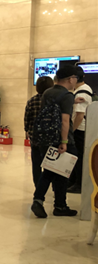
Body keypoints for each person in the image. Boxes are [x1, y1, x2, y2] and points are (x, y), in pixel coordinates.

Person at [31, 63, 79, 218]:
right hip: (61, 140)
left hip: (45, 138)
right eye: (75, 78)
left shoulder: (47, 92)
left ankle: (43, 201)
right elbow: (65, 121)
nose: (76, 80)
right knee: (61, 173)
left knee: (50, 170)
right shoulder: (67, 96)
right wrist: (64, 142)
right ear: (70, 79)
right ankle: (58, 205)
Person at [24, 75, 54, 188]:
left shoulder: (31, 101)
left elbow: (27, 118)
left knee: (36, 164)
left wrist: (27, 130)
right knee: (50, 164)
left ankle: (38, 186)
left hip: (35, 137)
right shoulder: (54, 101)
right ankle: (50, 186)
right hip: (50, 137)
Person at [68, 65, 93, 194]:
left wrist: (71, 130)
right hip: (82, 129)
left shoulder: (82, 92)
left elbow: (79, 115)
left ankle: (78, 184)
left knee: (77, 157)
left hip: (80, 129)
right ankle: (74, 181)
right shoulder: (85, 89)